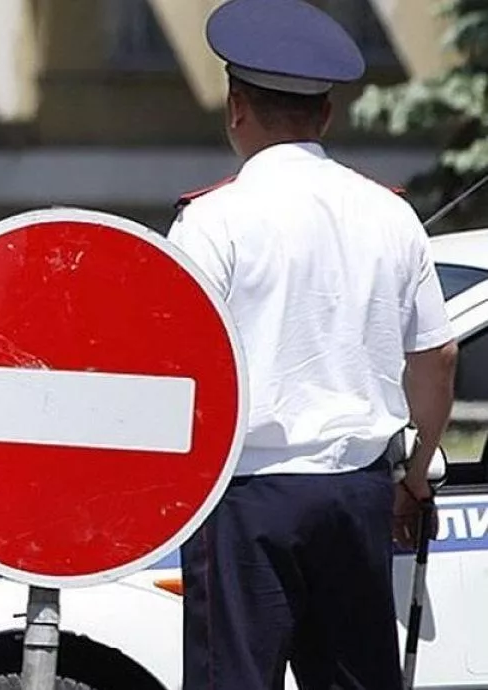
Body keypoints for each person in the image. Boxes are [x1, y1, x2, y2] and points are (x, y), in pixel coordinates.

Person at [167, 1, 459, 688]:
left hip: (244, 499)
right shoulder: (390, 213)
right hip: (356, 495)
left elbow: (176, 368)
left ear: (235, 108)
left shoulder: (211, 221)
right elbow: (438, 358)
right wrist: (415, 476)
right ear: (325, 115)